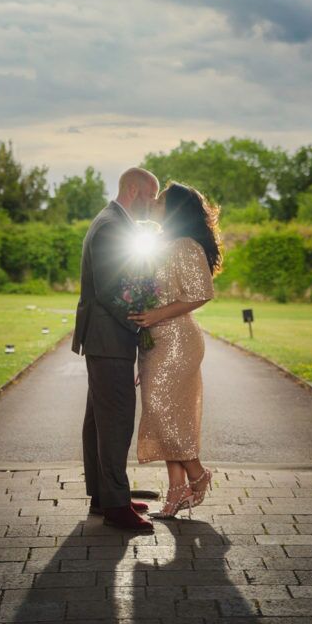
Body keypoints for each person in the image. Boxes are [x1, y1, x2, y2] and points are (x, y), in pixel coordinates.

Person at [71, 166, 160, 532]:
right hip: (109, 337)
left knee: (98, 421)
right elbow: (110, 287)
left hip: (104, 337)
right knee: (116, 420)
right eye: (151, 198)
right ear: (135, 190)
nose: (152, 206)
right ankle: (116, 507)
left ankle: (104, 496)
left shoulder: (113, 220)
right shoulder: (111, 225)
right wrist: (139, 317)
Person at [128, 182, 221, 518]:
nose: (154, 202)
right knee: (167, 413)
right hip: (154, 343)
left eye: (161, 199)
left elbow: (202, 293)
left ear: (175, 210)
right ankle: (177, 491)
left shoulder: (185, 245)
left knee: (165, 414)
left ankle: (196, 474)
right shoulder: (162, 244)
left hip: (178, 342)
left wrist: (155, 315)